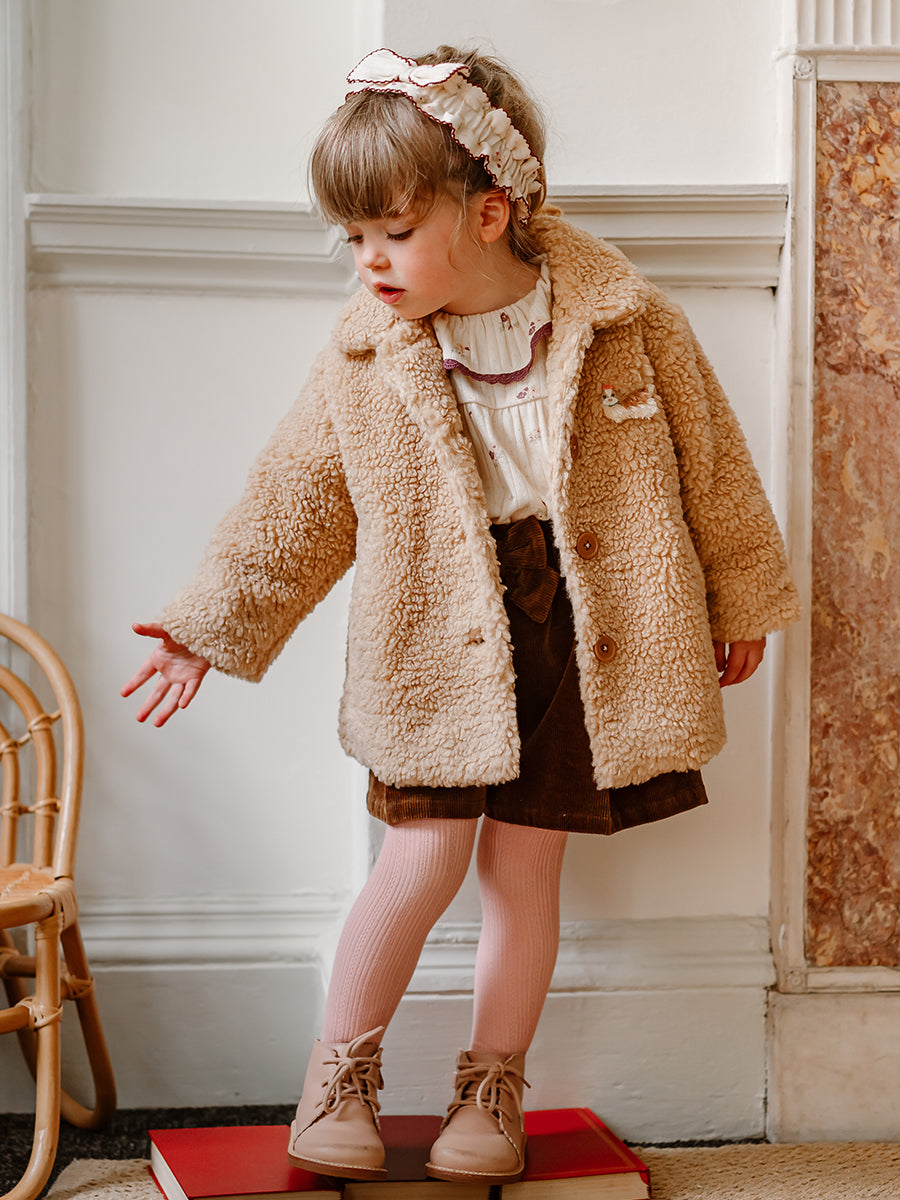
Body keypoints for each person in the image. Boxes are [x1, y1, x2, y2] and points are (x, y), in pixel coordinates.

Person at [122, 45, 800, 1185]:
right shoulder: (364, 354)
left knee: (525, 867)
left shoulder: (631, 321)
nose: (368, 260)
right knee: (423, 854)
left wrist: (743, 596)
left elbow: (716, 473)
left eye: (392, 230)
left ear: (490, 213)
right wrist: (209, 625)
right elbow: (296, 501)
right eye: (353, 236)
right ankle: (338, 1074)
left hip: (589, 626)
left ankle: (492, 1090)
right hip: (433, 631)